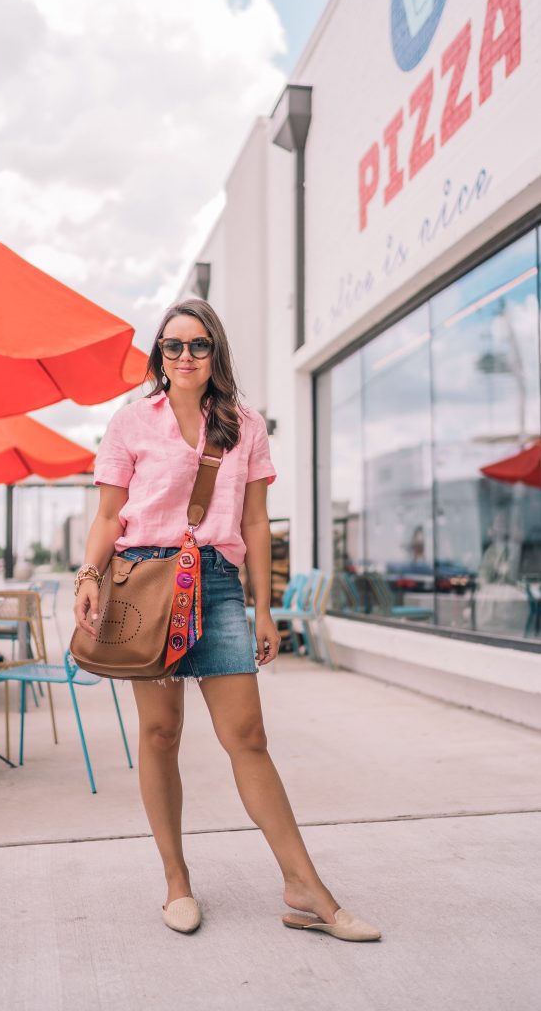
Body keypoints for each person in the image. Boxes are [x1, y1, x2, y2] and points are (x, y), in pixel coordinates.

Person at [73, 298, 381, 942]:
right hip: (144, 583)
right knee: (160, 734)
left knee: (248, 736)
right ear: (160, 355)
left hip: (214, 583)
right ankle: (176, 881)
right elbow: (108, 516)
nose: (184, 356)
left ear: (217, 351)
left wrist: (264, 607)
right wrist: (88, 575)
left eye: (198, 345)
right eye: (172, 345)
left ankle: (305, 888)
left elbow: (253, 521)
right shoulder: (130, 423)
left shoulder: (245, 424)